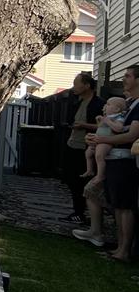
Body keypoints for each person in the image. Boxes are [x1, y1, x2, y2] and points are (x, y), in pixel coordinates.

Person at [73, 64, 139, 260]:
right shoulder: (129, 103)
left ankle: (124, 250)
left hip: (125, 161)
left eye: (128, 76)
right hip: (114, 159)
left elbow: (132, 135)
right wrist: (95, 138)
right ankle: (119, 247)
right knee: (117, 205)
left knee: (124, 206)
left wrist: (102, 140)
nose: (124, 79)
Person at [62, 72, 105, 224]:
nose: (74, 87)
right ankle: (77, 211)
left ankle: (82, 213)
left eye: (76, 83)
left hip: (86, 148)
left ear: (87, 86)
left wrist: (84, 125)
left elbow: (103, 125)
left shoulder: (98, 104)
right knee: (71, 179)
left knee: (82, 181)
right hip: (73, 143)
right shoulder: (77, 102)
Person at [84, 96, 127, 182]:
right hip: (99, 138)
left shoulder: (118, 117)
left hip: (107, 140)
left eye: (108, 104)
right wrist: (99, 121)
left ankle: (100, 175)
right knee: (88, 153)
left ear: (116, 109)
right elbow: (100, 127)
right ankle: (90, 170)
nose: (105, 106)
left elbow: (119, 128)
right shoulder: (107, 117)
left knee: (99, 155)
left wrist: (108, 121)